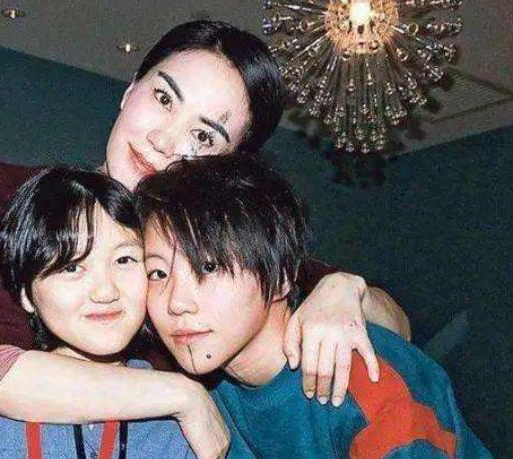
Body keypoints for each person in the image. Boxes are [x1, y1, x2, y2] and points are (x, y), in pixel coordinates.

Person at [0, 20, 408, 457]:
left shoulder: (213, 251)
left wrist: (344, 290)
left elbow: (396, 326)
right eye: (163, 98)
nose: (163, 140)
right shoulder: (9, 197)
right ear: (131, 89)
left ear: (223, 168)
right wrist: (183, 396)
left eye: (204, 137)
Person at [137, 155, 492, 458]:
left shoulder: (366, 377)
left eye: (209, 266)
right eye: (158, 273)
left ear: (281, 277)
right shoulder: (196, 389)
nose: (176, 302)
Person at [0, 168, 198, 458]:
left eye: (124, 260)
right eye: (72, 266)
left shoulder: (178, 418)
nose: (105, 292)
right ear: (26, 294)